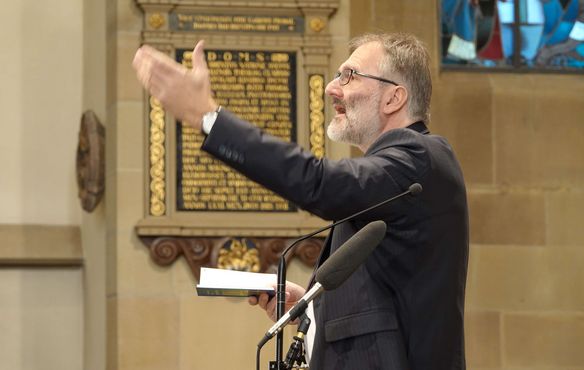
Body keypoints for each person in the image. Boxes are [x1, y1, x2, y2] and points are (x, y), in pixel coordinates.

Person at [133, 32, 469, 370]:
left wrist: (208, 118)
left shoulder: (418, 158)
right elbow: (384, 297)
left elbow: (318, 183)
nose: (331, 87)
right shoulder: (394, 176)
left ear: (393, 98)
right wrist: (309, 306)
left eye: (349, 75)